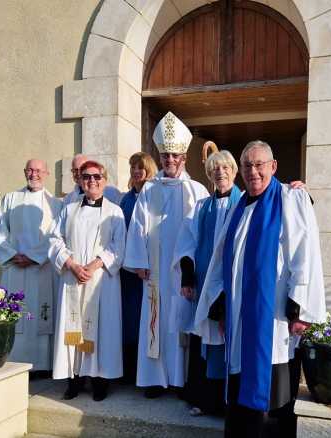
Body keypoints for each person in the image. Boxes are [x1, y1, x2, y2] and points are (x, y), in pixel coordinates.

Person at [194, 140, 327, 437]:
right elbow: (220, 258)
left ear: (273, 166)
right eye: (247, 166)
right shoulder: (238, 207)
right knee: (239, 388)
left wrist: (300, 307)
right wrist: (219, 304)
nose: (253, 172)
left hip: (274, 318)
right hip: (240, 318)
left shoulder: (289, 198)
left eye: (259, 165)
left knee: (270, 397)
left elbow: (303, 254)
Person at [124, 112, 209, 398]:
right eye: (165, 155)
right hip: (156, 272)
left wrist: (195, 271)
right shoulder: (149, 189)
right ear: (160, 158)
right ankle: (155, 380)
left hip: (184, 273)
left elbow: (202, 233)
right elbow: (138, 226)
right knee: (156, 323)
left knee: (180, 324)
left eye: (174, 155)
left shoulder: (196, 190)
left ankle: (181, 381)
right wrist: (139, 263)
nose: (170, 160)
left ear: (184, 157)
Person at [48, 160, 126, 401]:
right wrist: (71, 264)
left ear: (105, 180)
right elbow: (54, 240)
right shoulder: (68, 209)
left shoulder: (115, 211)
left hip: (101, 281)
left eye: (96, 177)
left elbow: (118, 245)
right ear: (80, 180)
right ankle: (74, 379)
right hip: (73, 278)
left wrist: (93, 265)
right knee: (74, 328)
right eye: (86, 177)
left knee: (101, 329)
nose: (91, 181)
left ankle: (100, 380)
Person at [174, 150, 241, 416]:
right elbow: (186, 242)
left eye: (225, 168)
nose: (220, 172)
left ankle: (229, 402)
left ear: (234, 171)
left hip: (232, 288)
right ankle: (205, 400)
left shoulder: (244, 204)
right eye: (215, 169)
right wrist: (188, 277)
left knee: (228, 342)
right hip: (204, 287)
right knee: (205, 341)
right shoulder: (202, 207)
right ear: (209, 174)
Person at [0, 159, 62, 375]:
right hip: (15, 269)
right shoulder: (10, 199)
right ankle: (16, 362)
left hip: (41, 269)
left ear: (47, 173)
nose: (34, 174)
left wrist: (34, 257)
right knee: (20, 316)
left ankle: (42, 365)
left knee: (38, 315)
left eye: (39, 171)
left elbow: (56, 236)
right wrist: (13, 255)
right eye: (30, 170)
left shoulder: (55, 203)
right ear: (24, 172)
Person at [118, 152, 158, 384]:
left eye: (141, 168)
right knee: (130, 320)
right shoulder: (125, 199)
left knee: (148, 320)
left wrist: (143, 262)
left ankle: (147, 371)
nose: (136, 172)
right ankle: (130, 370)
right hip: (129, 271)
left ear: (149, 170)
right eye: (133, 167)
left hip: (148, 270)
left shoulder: (154, 195)